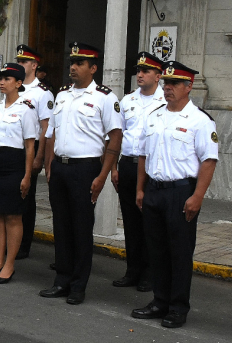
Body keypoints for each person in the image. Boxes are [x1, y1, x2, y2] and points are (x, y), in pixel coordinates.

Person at [131, 60, 218, 328]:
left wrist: (198, 196)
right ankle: (160, 300)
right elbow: (144, 154)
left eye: (174, 84)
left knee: (179, 253)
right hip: (154, 190)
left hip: (181, 193)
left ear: (188, 86)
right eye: (166, 83)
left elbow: (209, 160)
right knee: (157, 250)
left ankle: (178, 307)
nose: (168, 88)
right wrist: (140, 188)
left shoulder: (199, 120)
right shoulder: (154, 115)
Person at [40, 42, 122, 306]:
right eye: (71, 63)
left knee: (81, 227)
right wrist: (49, 164)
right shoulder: (62, 95)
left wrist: (103, 175)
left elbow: (115, 137)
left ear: (93, 67)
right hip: (60, 168)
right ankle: (61, 280)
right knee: (61, 226)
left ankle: (78, 285)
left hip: (85, 168)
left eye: (79, 63)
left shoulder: (105, 97)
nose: (73, 68)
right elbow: (50, 132)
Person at [0, 63, 39, 284]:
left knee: (13, 216)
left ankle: (10, 264)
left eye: (7, 79)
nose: (2, 82)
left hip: (14, 165)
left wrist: (27, 176)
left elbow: (30, 146)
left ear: (18, 83)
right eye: (1, 78)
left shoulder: (26, 109)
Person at [111, 52, 165, 291]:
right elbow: (116, 135)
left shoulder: (165, 101)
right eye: (138, 71)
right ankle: (133, 270)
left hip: (152, 168)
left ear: (158, 75)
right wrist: (113, 167)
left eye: (146, 71)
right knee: (131, 222)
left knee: (151, 223)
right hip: (128, 164)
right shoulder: (128, 101)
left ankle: (151, 273)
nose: (140, 75)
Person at [11, 45, 55, 259]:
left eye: (23, 62)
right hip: (13, 146)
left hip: (32, 147)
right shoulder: (14, 88)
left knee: (25, 196)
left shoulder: (42, 93)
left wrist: (40, 157)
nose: (19, 64)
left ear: (34, 65)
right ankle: (11, 242)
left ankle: (23, 244)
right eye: (18, 61)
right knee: (11, 194)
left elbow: (46, 127)